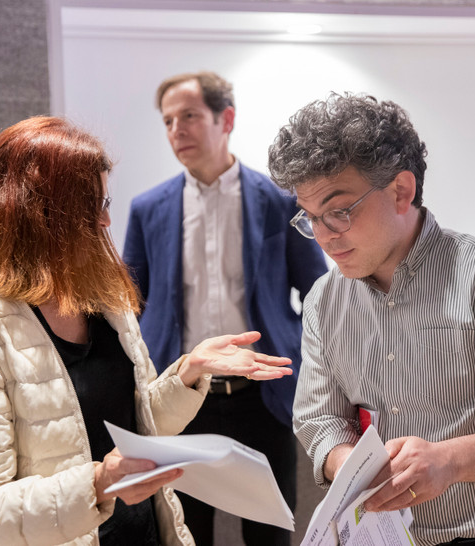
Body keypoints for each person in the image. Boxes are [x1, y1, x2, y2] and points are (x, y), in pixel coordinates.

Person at [0, 116, 294, 546]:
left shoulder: (102, 303)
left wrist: (188, 372)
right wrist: (97, 484)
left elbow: (136, 423)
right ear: (32, 215)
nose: (103, 223)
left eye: (105, 202)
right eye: (87, 208)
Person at [267, 93, 475, 546]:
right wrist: (353, 468)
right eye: (312, 218)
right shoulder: (325, 299)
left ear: (401, 190)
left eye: (339, 212)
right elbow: (320, 419)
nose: (324, 237)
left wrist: (449, 460)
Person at [123, 71, 328, 546]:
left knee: (271, 533)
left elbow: (319, 295)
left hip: (264, 399)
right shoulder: (147, 208)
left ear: (226, 118)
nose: (177, 129)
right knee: (185, 534)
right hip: (181, 403)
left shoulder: (280, 202)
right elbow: (129, 308)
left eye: (189, 116)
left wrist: (307, 368)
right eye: (168, 120)